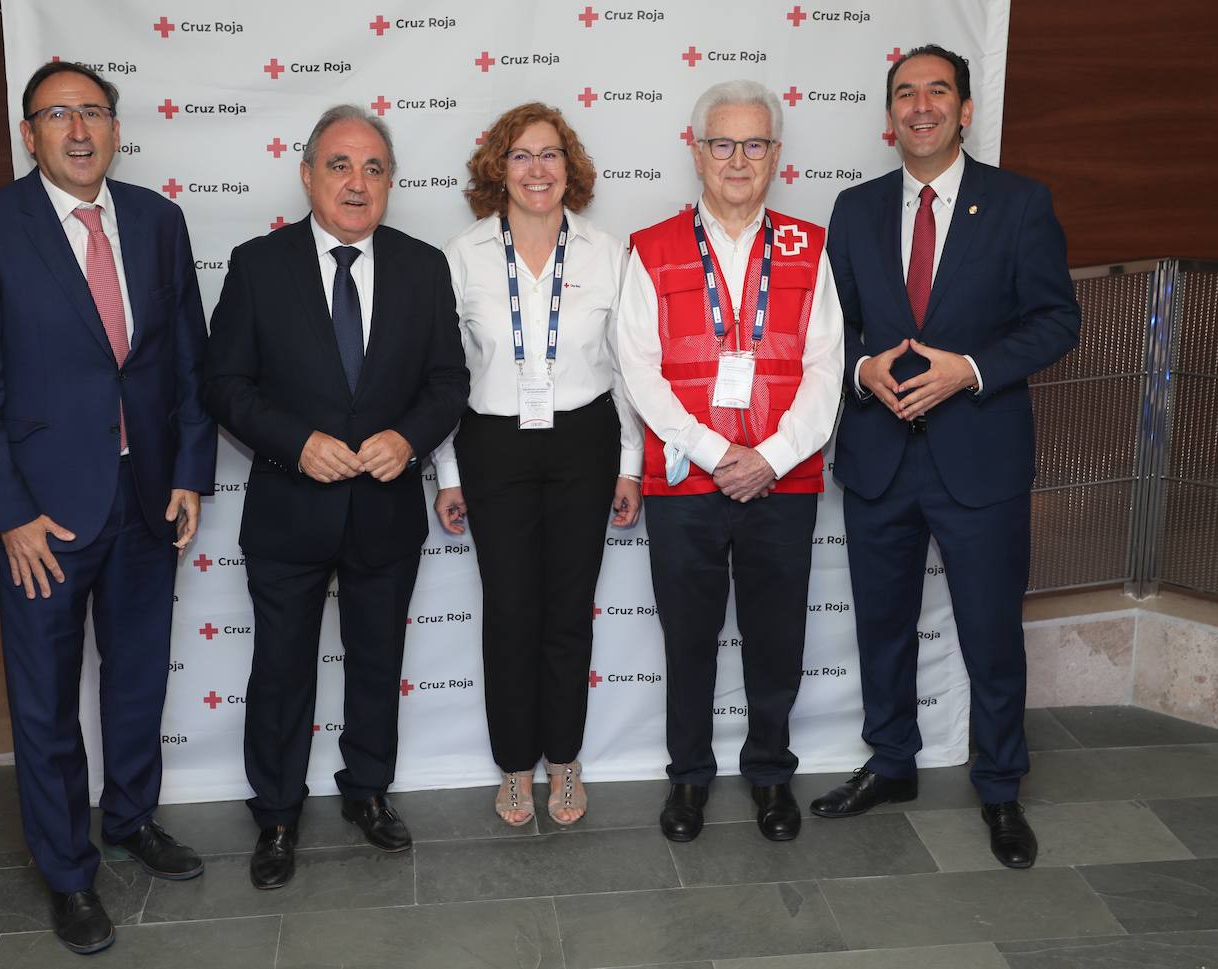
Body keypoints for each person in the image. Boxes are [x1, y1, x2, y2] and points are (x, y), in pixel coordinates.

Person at [0, 62, 216, 954]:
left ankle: (131, 819)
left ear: (115, 125)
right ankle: (66, 869)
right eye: (59, 115)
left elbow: (186, 362)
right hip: (43, 520)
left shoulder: (159, 221)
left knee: (136, 681)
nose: (80, 129)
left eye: (93, 111)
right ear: (31, 134)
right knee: (46, 702)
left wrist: (189, 471)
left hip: (145, 498)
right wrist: (7, 511)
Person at [810, 45, 1080, 870]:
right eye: (904, 94)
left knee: (991, 633)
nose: (919, 106)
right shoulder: (852, 210)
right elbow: (835, 329)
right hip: (880, 456)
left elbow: (1056, 319)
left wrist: (971, 369)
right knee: (882, 627)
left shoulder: (1020, 204)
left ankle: (1000, 785)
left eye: (936, 92)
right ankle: (891, 762)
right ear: (887, 115)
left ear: (966, 110)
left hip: (981, 457)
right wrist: (863, 368)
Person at [203, 105, 468, 889]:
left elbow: (448, 381)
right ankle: (278, 813)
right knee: (282, 668)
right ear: (308, 173)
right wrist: (296, 443)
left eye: (374, 168)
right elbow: (224, 383)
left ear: (391, 182)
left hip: (385, 508)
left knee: (377, 662)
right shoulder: (258, 265)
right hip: (290, 507)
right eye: (341, 166)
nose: (358, 183)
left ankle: (368, 792)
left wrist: (408, 438)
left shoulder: (423, 266)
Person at [616, 80, 843, 844]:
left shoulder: (810, 246)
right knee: (688, 637)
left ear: (776, 154)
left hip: (786, 481)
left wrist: (770, 458)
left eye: (754, 144)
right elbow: (639, 370)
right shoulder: (651, 247)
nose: (738, 159)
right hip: (686, 483)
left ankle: (772, 774)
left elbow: (825, 369)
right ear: (697, 150)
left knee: (777, 636)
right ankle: (688, 779)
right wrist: (719, 455)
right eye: (723, 143)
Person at [433, 103, 643, 827]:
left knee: (567, 611)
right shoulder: (461, 256)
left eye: (549, 154)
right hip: (493, 445)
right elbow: (444, 377)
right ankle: (516, 767)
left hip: (584, 441)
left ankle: (565, 759)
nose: (536, 170)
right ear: (498, 167)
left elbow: (627, 371)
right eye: (520, 156)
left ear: (570, 166)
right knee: (511, 610)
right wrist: (450, 475)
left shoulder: (606, 253)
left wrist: (631, 465)